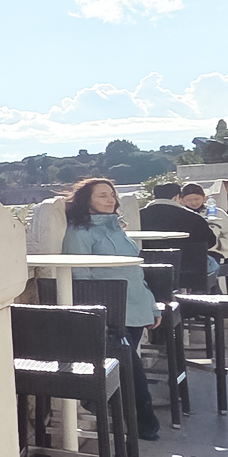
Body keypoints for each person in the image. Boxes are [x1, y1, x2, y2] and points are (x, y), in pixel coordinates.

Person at [60, 177, 162, 440]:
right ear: (87, 200)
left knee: (125, 366)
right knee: (130, 366)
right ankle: (144, 420)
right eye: (102, 195)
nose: (110, 200)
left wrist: (153, 306)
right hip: (111, 312)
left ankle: (111, 410)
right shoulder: (79, 232)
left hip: (136, 308)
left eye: (112, 195)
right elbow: (81, 276)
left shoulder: (118, 228)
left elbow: (135, 271)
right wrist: (99, 316)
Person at [138, 182, 220, 287]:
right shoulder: (194, 217)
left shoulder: (139, 216)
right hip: (191, 268)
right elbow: (211, 242)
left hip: (149, 266)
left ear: (154, 197)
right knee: (213, 264)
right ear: (177, 197)